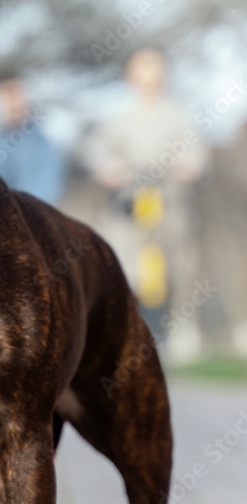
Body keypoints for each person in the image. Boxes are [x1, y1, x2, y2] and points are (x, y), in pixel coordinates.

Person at [86, 48, 209, 360]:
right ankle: (126, 336)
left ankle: (173, 336)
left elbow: (196, 151)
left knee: (173, 270)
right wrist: (108, 166)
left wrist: (189, 165)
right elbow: (95, 148)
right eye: (143, 77)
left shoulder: (177, 115)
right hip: (127, 207)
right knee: (125, 269)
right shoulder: (120, 116)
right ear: (132, 79)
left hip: (169, 206)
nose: (149, 83)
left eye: (155, 76)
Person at [0, 79, 66, 205]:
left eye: (17, 106)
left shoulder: (40, 145)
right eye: (8, 105)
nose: (13, 110)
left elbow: (43, 188)